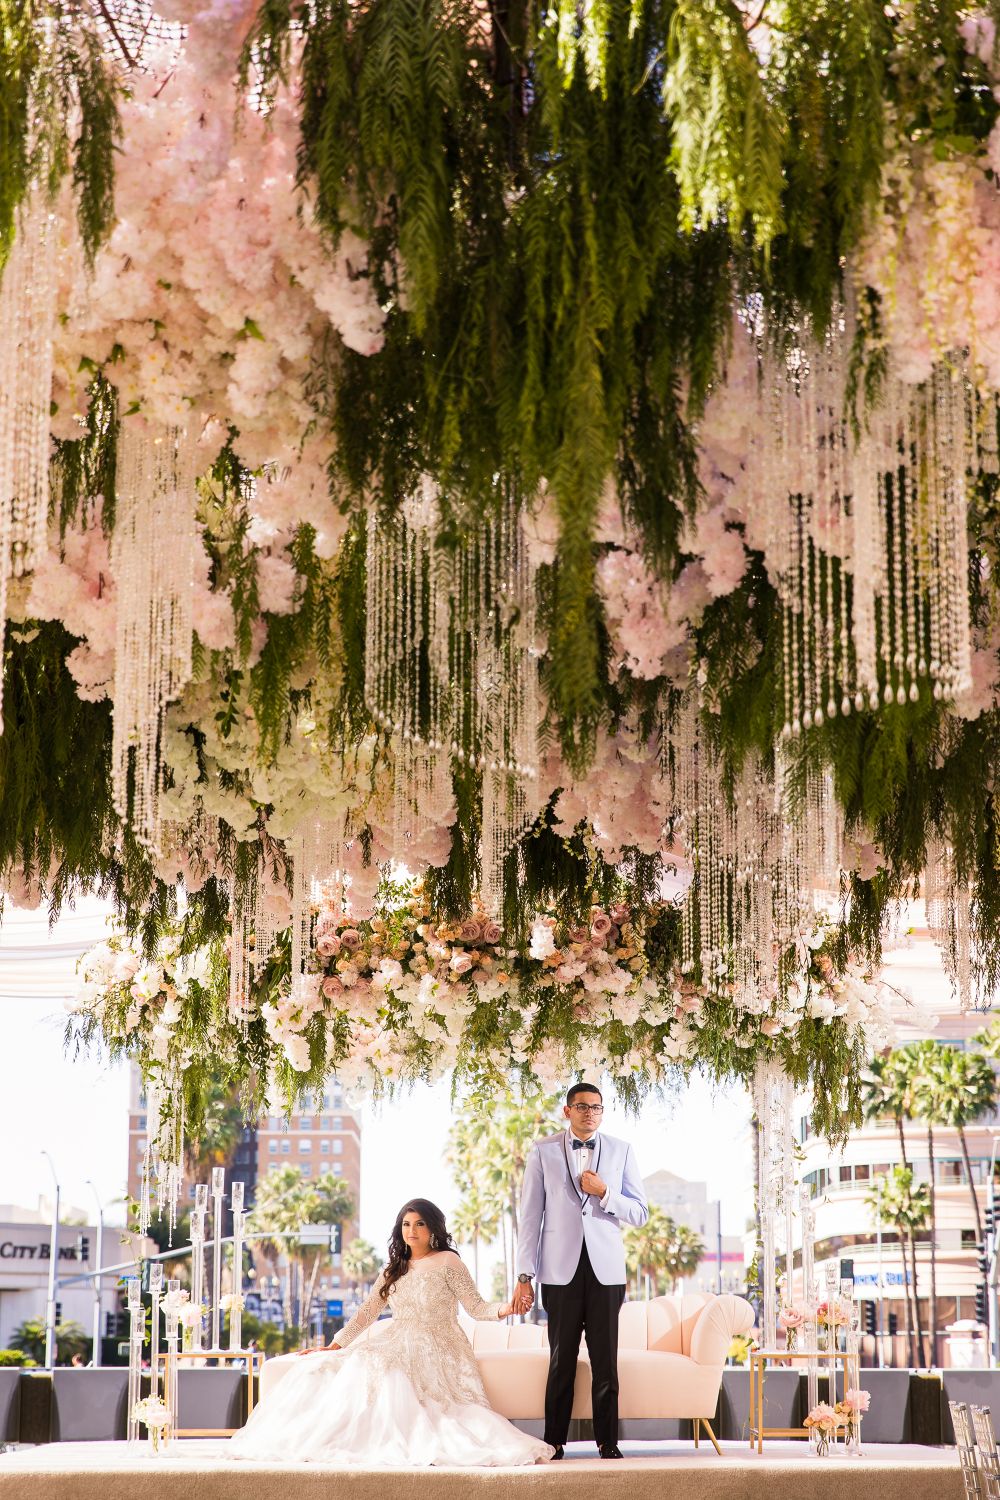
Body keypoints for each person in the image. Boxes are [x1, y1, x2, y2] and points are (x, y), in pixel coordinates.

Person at [229, 1197, 553, 1467]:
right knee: (343, 1364)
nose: (412, 1230)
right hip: (396, 1337)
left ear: (433, 1228)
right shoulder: (392, 1269)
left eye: (419, 1224)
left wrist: (507, 1308)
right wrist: (334, 1344)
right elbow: (367, 1312)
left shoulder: (448, 1261)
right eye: (406, 1224)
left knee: (388, 1370)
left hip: (439, 1343)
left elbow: (476, 1307)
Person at [513, 1081, 648, 1461]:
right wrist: (525, 1274)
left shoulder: (622, 1150)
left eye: (596, 1107)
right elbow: (530, 1216)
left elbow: (640, 1212)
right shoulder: (543, 1151)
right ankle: (554, 1440)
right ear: (567, 1110)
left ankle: (607, 1441)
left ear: (602, 1112)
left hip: (607, 1273)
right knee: (562, 1359)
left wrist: (605, 1192)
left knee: (606, 1360)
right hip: (558, 1271)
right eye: (582, 1106)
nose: (590, 1112)